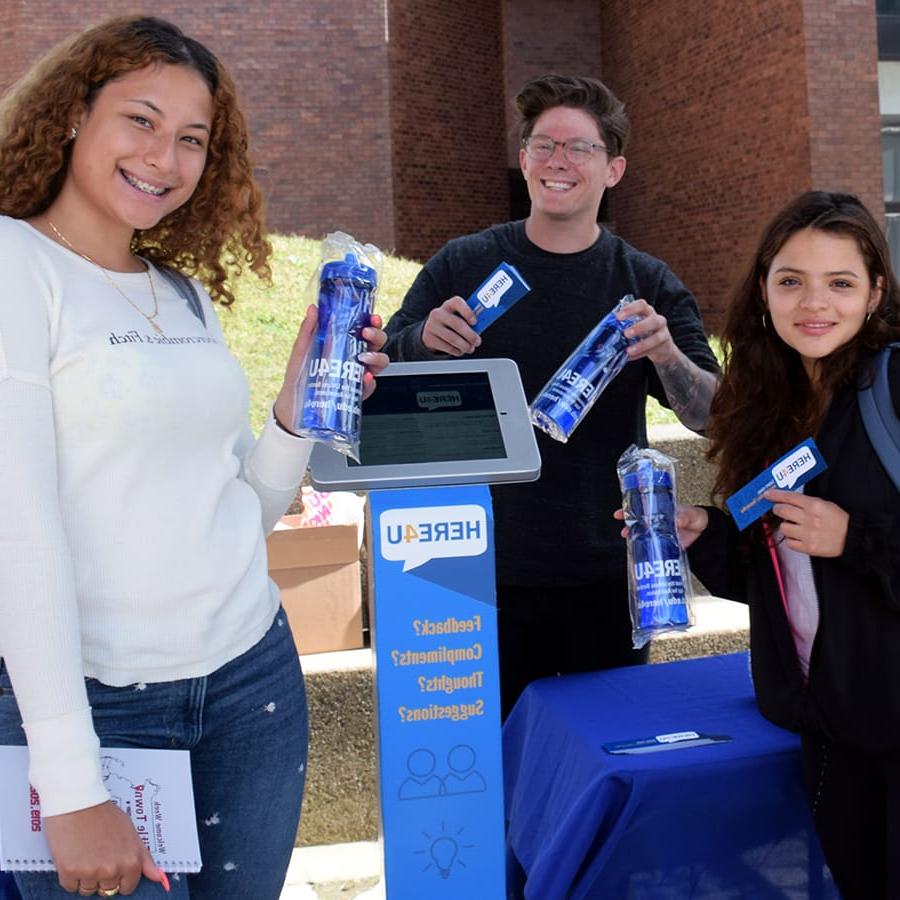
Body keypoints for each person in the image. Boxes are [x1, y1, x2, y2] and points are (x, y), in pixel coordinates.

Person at [0, 16, 388, 899]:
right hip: (95, 708)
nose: (164, 158)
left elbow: (228, 518)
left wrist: (294, 410)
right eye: (140, 120)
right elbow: (14, 536)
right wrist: (68, 785)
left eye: (191, 139)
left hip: (250, 684)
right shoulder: (12, 265)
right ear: (71, 117)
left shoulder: (179, 296)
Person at [383, 73, 719, 717]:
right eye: (544, 145)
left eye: (579, 149)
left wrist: (668, 354)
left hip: (605, 573)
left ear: (614, 169)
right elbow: (381, 370)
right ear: (523, 159)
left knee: (600, 766)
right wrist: (421, 339)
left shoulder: (645, 283)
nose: (557, 162)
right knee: (497, 778)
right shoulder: (464, 263)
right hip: (470, 570)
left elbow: (709, 416)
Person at [659, 191, 900, 899]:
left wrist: (854, 537)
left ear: (876, 292)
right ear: (763, 290)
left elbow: (840, 549)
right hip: (832, 727)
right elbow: (781, 569)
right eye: (791, 280)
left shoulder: (894, 385)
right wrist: (706, 538)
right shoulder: (769, 402)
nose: (812, 303)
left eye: (840, 282)